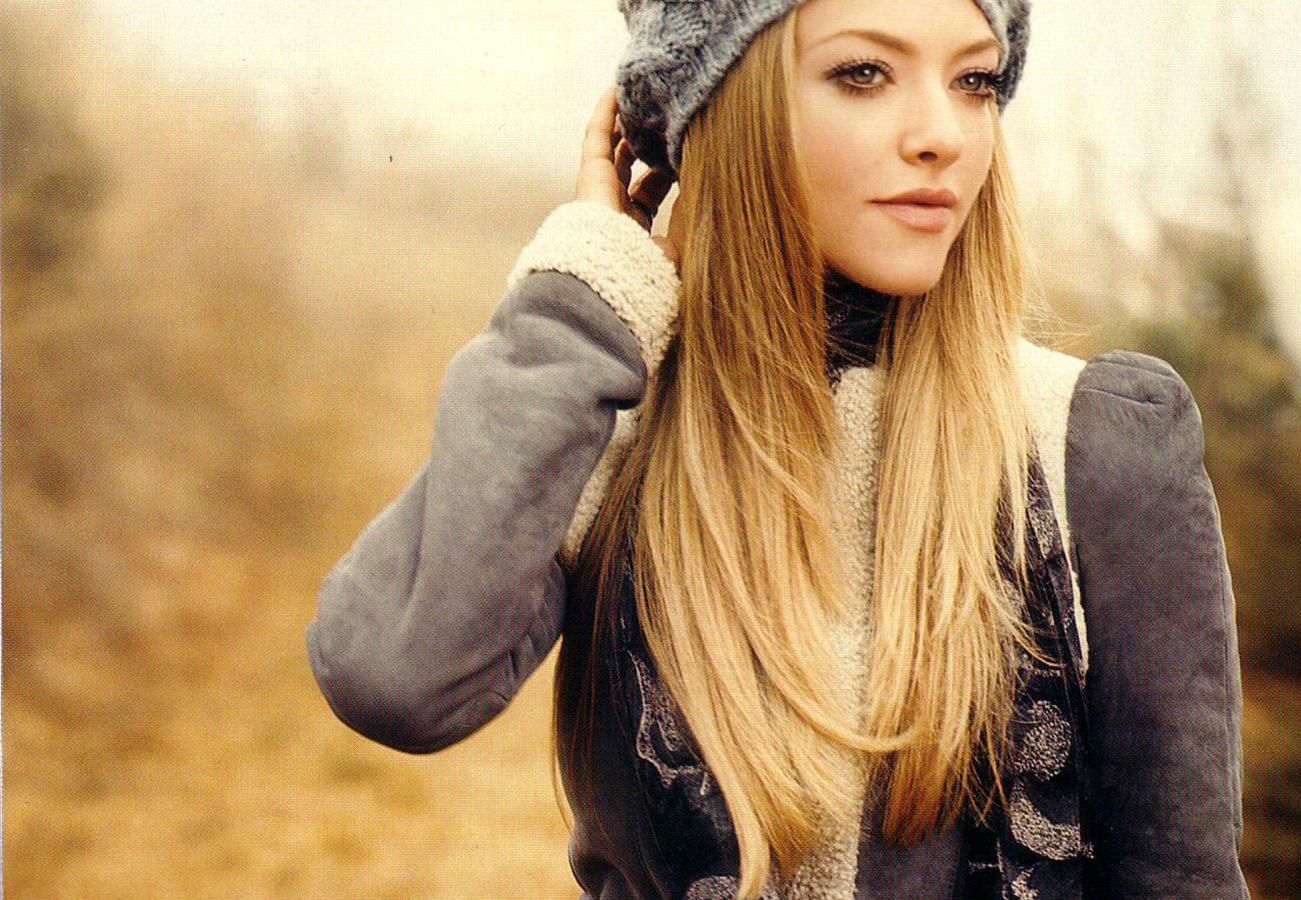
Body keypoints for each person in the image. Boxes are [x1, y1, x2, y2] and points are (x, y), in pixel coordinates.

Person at [304, 0, 1249, 897]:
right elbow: (396, 677)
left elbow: (1182, 882)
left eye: (975, 81)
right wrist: (587, 296)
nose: (944, 136)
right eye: (865, 72)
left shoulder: (1094, 447)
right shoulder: (611, 428)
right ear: (724, 104)